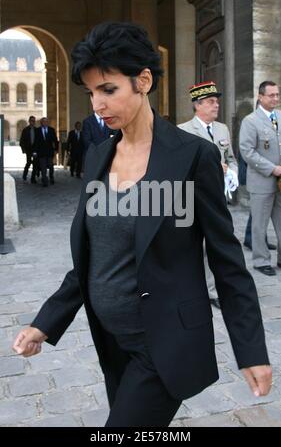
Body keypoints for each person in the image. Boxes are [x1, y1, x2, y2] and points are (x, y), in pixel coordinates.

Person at [13, 22, 272, 428]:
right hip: (112, 343)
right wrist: (46, 321)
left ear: (143, 80)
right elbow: (93, 256)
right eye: (92, 92)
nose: (97, 104)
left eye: (109, 89)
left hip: (164, 343)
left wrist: (251, 350)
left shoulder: (192, 157)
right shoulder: (98, 156)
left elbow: (227, 261)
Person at [178, 81, 239, 310]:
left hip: (219, 198)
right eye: (211, 102)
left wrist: (232, 172)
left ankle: (217, 289)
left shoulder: (222, 129)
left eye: (217, 101)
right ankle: (200, 286)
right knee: (196, 245)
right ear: (198, 105)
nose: (216, 106)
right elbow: (180, 168)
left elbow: (231, 158)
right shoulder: (184, 130)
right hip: (195, 198)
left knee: (219, 242)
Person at [239, 81, 281, 276]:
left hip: (280, 183)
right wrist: (272, 169)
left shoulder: (280, 116)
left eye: (277, 95)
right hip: (262, 180)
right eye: (271, 95)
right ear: (260, 96)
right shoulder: (250, 121)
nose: (275, 98)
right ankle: (261, 261)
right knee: (259, 225)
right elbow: (246, 151)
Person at [33, 117, 58, 187]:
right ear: (41, 123)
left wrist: (56, 149)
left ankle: (51, 177)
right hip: (41, 152)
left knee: (51, 166)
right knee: (43, 167)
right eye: (44, 122)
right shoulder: (37, 130)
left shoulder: (51, 130)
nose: (45, 123)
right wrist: (34, 151)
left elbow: (55, 141)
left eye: (46, 122)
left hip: (50, 152)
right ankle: (44, 180)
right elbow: (36, 142)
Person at [19, 115, 37, 183]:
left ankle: (33, 178)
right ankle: (25, 175)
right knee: (28, 163)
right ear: (29, 121)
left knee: (35, 164)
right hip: (28, 149)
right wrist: (23, 149)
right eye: (32, 121)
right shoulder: (25, 130)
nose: (33, 122)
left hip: (35, 150)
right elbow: (22, 140)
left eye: (34, 121)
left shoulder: (36, 130)